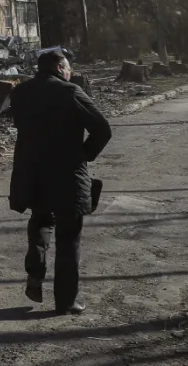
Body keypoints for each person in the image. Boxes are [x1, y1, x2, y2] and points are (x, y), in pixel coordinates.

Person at [8, 49, 112, 315]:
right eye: (67, 67)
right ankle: (66, 301)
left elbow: (23, 125)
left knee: (41, 219)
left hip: (31, 172)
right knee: (68, 237)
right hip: (66, 173)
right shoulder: (70, 92)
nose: (70, 72)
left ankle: (35, 272)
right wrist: (84, 155)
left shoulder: (20, 93)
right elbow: (102, 128)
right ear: (58, 67)